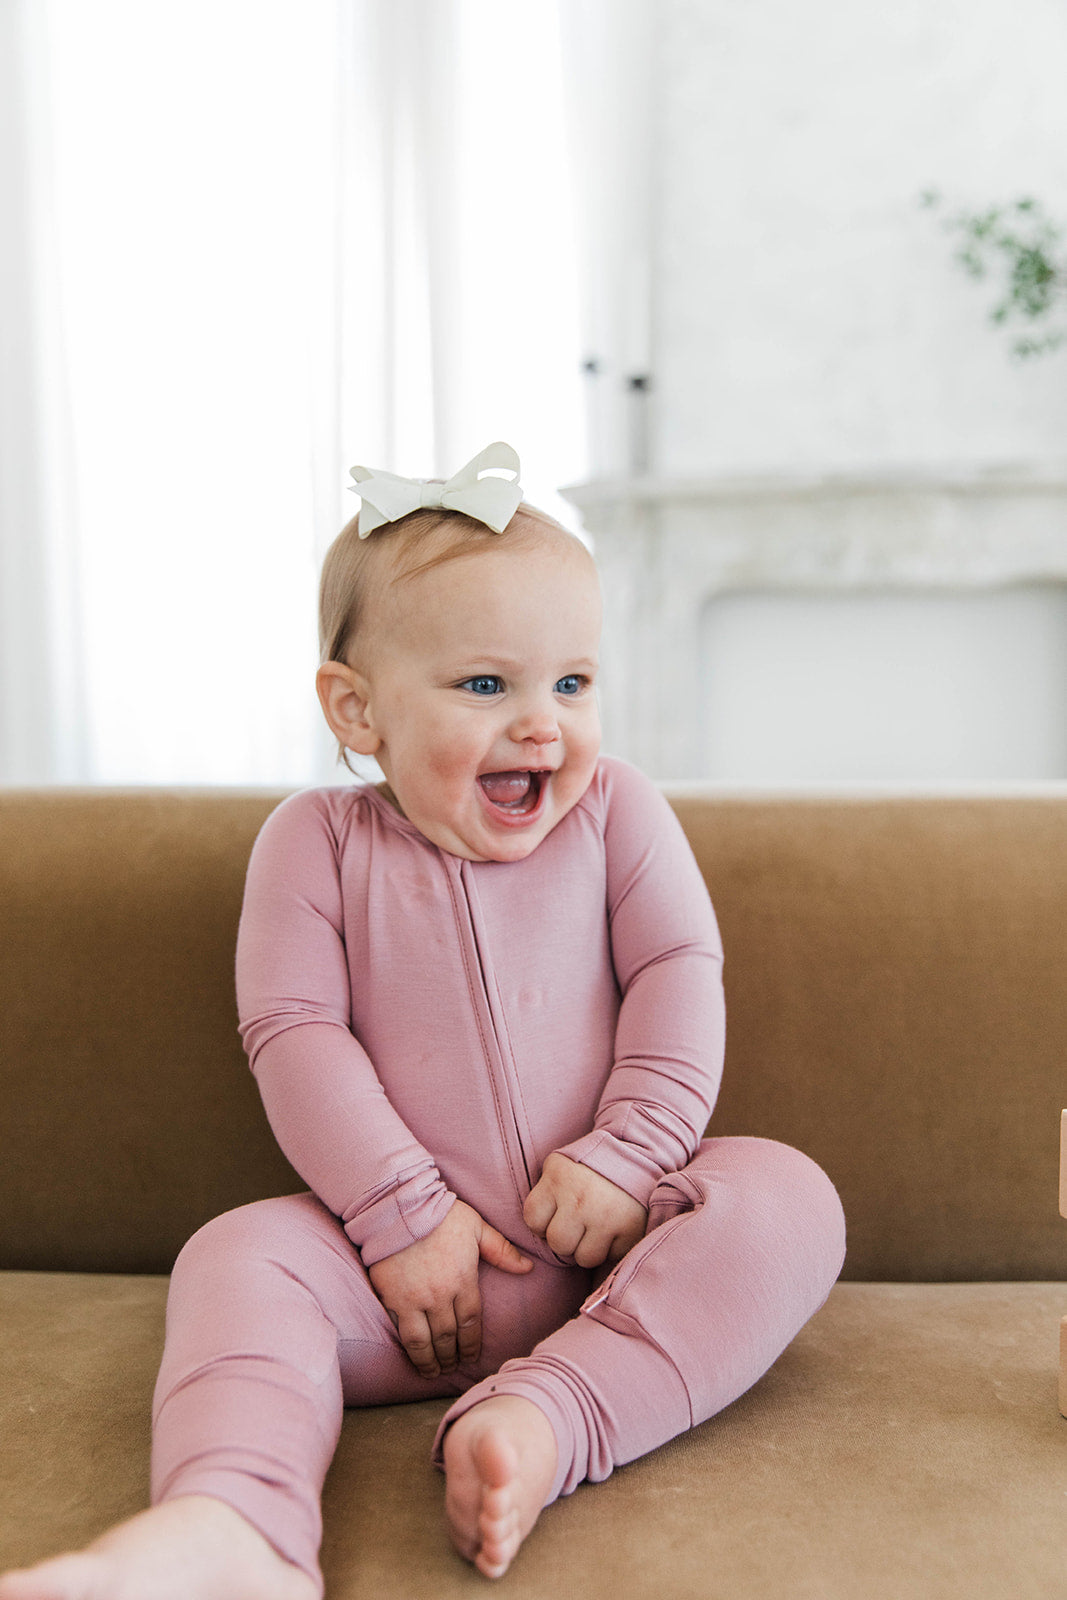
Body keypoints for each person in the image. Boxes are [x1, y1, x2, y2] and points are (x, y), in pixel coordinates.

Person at [0, 442, 846, 1600]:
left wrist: (635, 1150)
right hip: (399, 1283)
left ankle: (552, 1413)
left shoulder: (617, 813)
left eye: (573, 683)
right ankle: (233, 1528)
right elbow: (292, 1029)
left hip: (619, 1239)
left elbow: (677, 967)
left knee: (789, 1198)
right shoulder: (314, 842)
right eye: (485, 686)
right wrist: (399, 1213)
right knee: (234, 1256)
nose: (542, 725)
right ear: (359, 710)